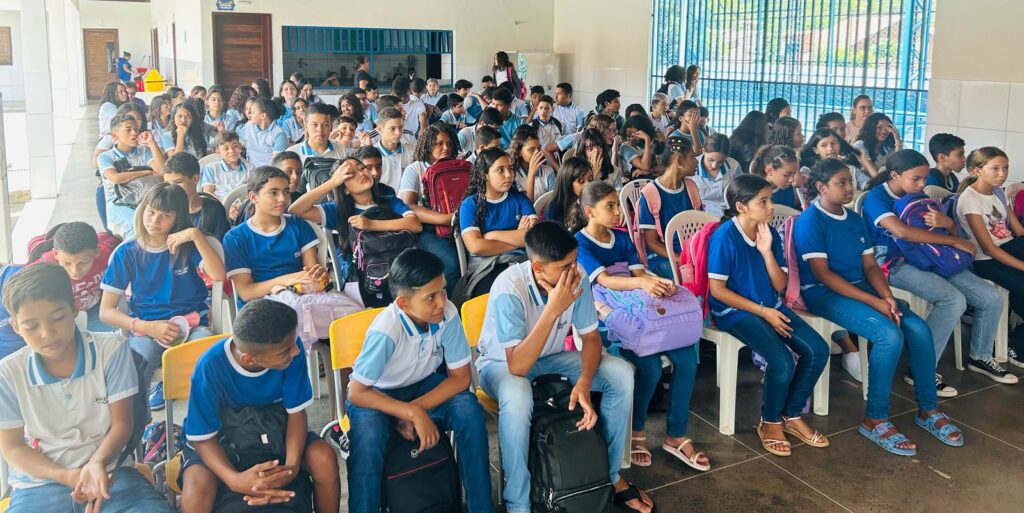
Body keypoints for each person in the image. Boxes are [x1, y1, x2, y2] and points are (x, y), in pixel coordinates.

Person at [476, 221, 654, 513]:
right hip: (500, 365)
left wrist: (584, 381)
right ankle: (518, 501)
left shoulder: (576, 275)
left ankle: (609, 476)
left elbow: (591, 338)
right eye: (565, 266)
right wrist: (553, 309)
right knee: (517, 395)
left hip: (551, 359)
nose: (574, 271)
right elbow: (517, 366)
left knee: (621, 373)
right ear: (538, 267)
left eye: (574, 261)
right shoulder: (510, 287)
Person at [795, 158, 964, 456]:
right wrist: (875, 301)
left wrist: (886, 297)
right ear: (821, 187)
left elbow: (871, 266)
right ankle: (875, 418)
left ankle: (928, 409)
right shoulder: (811, 221)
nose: (850, 188)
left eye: (850, 181)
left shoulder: (853, 218)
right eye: (841, 183)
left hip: (862, 288)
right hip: (824, 293)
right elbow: (823, 275)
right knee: (889, 335)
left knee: (918, 329)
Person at [0, 264, 172, 513]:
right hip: (40, 483)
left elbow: (122, 424)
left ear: (75, 308)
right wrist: (69, 476)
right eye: (31, 326)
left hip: (110, 471)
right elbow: (13, 447)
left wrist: (96, 463)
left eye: (57, 318)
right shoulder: (7, 373)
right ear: (16, 326)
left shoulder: (111, 350)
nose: (47, 334)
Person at [576, 180, 709, 470]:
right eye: (610, 206)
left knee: (687, 360)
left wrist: (655, 284)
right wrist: (643, 283)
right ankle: (637, 431)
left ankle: (676, 434)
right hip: (610, 315)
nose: (618, 212)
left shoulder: (622, 238)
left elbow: (639, 273)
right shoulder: (580, 243)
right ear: (589, 211)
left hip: (640, 308)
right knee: (649, 367)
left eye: (617, 205)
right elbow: (605, 281)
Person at [346, 249, 492, 513]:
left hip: (423, 385)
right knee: (367, 440)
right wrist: (411, 412)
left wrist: (416, 409)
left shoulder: (447, 314)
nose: (441, 303)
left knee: (469, 410)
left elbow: (460, 379)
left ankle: (481, 508)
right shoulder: (387, 330)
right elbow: (357, 392)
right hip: (376, 394)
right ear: (404, 304)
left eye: (443, 291)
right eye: (430, 297)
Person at [862, 149, 1011, 385]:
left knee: (990, 297)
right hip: (893, 262)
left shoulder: (918, 194)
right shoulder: (876, 197)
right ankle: (921, 369)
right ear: (895, 175)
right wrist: (953, 241)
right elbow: (902, 232)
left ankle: (980, 356)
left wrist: (948, 223)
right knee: (952, 300)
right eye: (916, 179)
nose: (922, 184)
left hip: (930, 254)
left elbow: (941, 229)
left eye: (924, 178)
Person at [709, 174, 830, 456]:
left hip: (771, 305)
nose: (771, 206)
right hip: (735, 311)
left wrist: (766, 253)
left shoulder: (770, 235)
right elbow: (718, 291)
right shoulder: (725, 237)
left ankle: (791, 414)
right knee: (781, 360)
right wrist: (764, 312)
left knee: (818, 350)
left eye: (770, 199)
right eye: (763, 201)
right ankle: (770, 421)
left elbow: (780, 285)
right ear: (741, 207)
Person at [179, 299, 339, 513]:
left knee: (324, 458)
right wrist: (234, 480)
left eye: (294, 343)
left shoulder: (290, 349)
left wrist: (291, 467)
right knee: (194, 493)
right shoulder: (209, 367)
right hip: (223, 439)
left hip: (276, 428)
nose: (295, 351)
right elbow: (202, 437)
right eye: (285, 351)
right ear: (249, 359)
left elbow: (296, 413)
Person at [99, 183, 224, 411]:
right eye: (151, 212)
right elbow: (106, 312)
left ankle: (203, 420)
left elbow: (218, 275)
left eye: (165, 215)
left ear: (177, 218)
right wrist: (146, 327)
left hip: (192, 325)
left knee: (209, 359)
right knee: (133, 367)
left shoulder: (188, 246)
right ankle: (139, 425)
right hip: (147, 328)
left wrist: (196, 235)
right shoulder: (126, 253)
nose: (155, 221)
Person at [289, 158, 421, 278]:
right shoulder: (337, 210)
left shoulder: (388, 199)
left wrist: (371, 224)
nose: (361, 174)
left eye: (362, 168)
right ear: (344, 189)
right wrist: (332, 183)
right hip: (361, 274)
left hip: (398, 264)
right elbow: (295, 209)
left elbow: (415, 225)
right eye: (351, 174)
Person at [955, 147, 1024, 368]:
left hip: (1009, 248)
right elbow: (988, 248)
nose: (1002, 174)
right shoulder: (970, 199)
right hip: (986, 261)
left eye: (1005, 168)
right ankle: (1016, 346)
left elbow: (1018, 231)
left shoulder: (999, 193)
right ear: (977, 170)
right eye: (995, 168)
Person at [223, 166, 327, 307]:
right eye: (273, 193)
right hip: (259, 308)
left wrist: (318, 276)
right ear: (253, 197)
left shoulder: (298, 225)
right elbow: (246, 292)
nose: (283, 199)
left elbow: (311, 274)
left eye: (286, 192)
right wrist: (287, 280)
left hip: (300, 300)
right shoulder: (235, 238)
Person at [455, 148, 537, 300]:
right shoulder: (471, 204)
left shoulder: (520, 198)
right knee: (497, 298)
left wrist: (492, 235)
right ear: (484, 174)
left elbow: (533, 237)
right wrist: (517, 240)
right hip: (486, 267)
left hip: (523, 261)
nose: (508, 175)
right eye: (500, 170)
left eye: (510, 169)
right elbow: (476, 247)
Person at [396, 123, 462, 292]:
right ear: (427, 145)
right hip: (427, 229)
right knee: (452, 264)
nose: (446, 148)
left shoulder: (458, 166)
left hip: (459, 224)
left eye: (449, 143)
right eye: (439, 144)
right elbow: (407, 206)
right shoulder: (415, 169)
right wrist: (444, 219)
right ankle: (454, 303)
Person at [36, 222, 119, 333]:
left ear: (97, 252)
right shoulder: (42, 272)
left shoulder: (110, 253)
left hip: (97, 310)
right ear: (56, 254)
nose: (75, 270)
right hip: (62, 318)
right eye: (67, 263)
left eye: (84, 262)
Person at [637, 137, 700, 279]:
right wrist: (680, 258)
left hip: (691, 252)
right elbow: (651, 242)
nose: (697, 162)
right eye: (692, 157)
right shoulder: (650, 194)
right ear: (679, 161)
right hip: (662, 257)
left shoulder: (691, 187)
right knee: (692, 279)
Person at [97, 111, 167, 238]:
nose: (134, 133)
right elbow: (115, 178)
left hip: (148, 202)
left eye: (136, 129)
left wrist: (152, 143)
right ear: (115, 136)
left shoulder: (144, 151)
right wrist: (147, 172)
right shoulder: (106, 157)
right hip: (120, 205)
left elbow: (162, 171)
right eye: (128, 130)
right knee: (139, 227)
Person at [164, 153, 232, 241]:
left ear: (195, 179)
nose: (172, 188)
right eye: (167, 184)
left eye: (178, 182)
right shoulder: (163, 210)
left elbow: (219, 244)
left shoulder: (214, 209)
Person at [799, 127, 875, 190]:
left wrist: (865, 162)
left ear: (839, 145)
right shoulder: (808, 171)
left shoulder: (850, 169)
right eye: (824, 145)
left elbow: (873, 187)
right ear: (816, 150)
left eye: (834, 143)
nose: (830, 148)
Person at [693, 133, 741, 216]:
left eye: (720, 162)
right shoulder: (691, 166)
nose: (714, 165)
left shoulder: (734, 166)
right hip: (698, 214)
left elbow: (740, 193)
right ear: (703, 151)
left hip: (727, 214)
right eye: (710, 160)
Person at [543, 156, 594, 229]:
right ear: (568, 184)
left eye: (591, 180)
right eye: (581, 181)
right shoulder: (553, 210)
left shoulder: (594, 201)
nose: (588, 185)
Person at [508, 125, 554, 202]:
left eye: (539, 148)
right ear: (519, 152)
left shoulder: (548, 171)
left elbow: (553, 201)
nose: (537, 152)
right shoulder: (513, 176)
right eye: (531, 150)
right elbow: (527, 206)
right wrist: (531, 174)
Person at [201, 130, 252, 200]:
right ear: (218, 151)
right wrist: (224, 204)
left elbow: (254, 191)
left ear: (240, 147)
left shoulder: (250, 168)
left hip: (244, 205)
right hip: (220, 205)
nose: (231, 151)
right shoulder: (211, 168)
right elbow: (208, 193)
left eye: (235, 146)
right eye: (226, 148)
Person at [374, 107, 416, 190]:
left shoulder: (412, 152)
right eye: (392, 128)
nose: (398, 133)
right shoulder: (372, 155)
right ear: (379, 129)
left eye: (400, 127)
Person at [750, 144, 802, 210]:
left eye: (794, 174)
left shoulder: (787, 188)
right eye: (786, 175)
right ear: (769, 171)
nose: (792, 179)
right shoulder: (755, 195)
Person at [238, 98, 288, 166]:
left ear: (263, 116)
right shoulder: (249, 126)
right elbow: (236, 138)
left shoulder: (279, 134)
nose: (250, 114)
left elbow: (277, 163)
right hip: (250, 169)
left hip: (268, 170)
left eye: (253, 112)